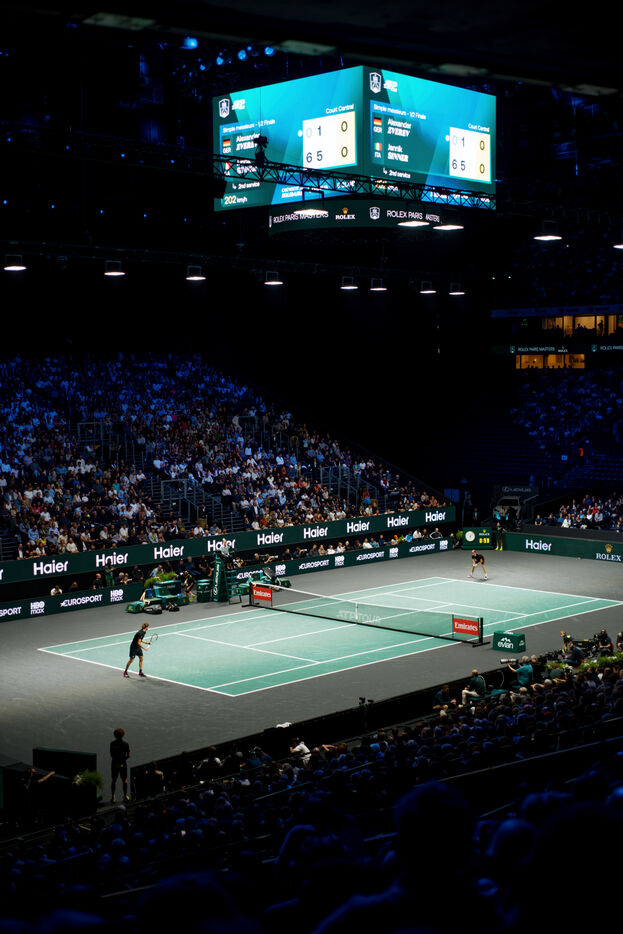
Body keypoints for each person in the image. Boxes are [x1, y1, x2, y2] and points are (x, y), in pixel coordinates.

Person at [110, 727, 131, 802]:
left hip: (114, 764)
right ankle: (125, 796)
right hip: (123, 764)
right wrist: (123, 759)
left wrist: (117, 760)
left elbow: (112, 755)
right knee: (124, 780)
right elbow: (129, 755)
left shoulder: (112, 744)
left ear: (115, 735)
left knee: (114, 780)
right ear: (123, 735)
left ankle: (113, 797)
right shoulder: (126, 744)